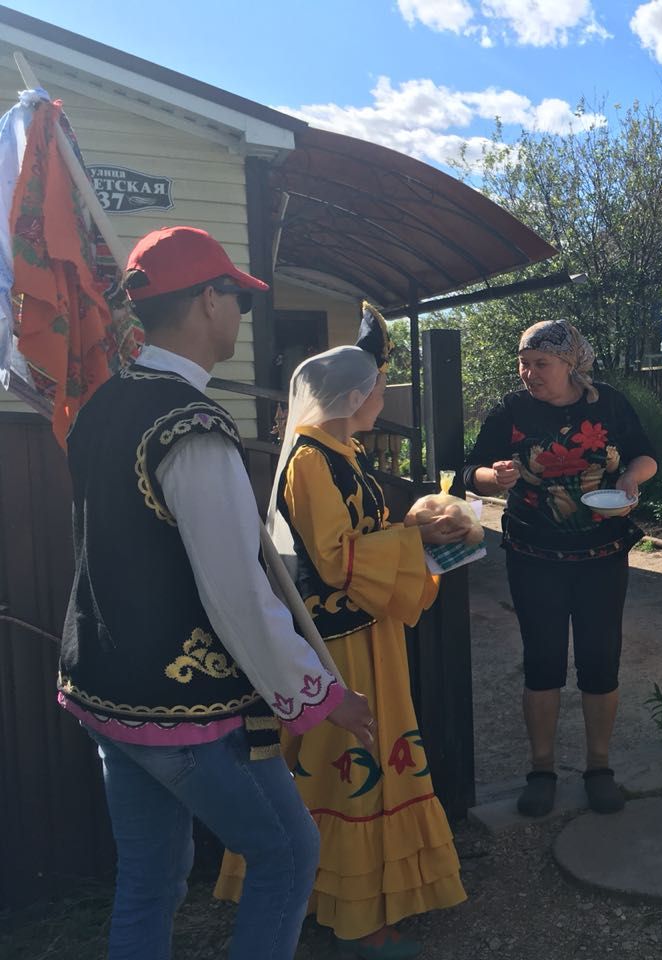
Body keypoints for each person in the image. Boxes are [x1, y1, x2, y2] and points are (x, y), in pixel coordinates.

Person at [57, 226, 375, 960]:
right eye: (235, 297)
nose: (241, 314)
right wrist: (320, 691)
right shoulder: (192, 426)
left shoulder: (101, 405)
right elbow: (236, 593)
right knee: (288, 854)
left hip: (105, 690)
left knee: (150, 877)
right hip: (180, 705)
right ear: (207, 301)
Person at [216, 311, 468, 959]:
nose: (384, 398)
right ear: (355, 397)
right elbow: (334, 558)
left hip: (366, 632)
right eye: (380, 387)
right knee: (342, 769)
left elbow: (361, 535)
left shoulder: (342, 451)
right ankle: (355, 917)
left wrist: (417, 525)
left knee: (362, 764)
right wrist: (416, 540)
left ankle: (354, 899)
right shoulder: (308, 461)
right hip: (337, 644)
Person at [464, 319, 658, 817]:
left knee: (600, 659)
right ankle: (542, 769)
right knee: (543, 661)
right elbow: (469, 469)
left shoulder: (609, 403)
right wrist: (494, 476)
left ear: (570, 364)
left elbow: (645, 455)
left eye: (540, 363)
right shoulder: (512, 410)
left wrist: (632, 481)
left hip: (602, 554)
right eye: (523, 363)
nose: (529, 373)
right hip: (534, 556)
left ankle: (599, 767)